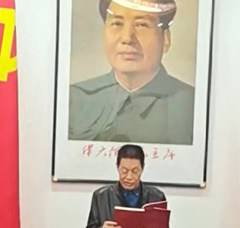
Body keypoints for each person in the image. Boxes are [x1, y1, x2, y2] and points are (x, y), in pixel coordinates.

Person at [69, 0, 195, 145]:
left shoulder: (191, 105)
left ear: (165, 39)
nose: (127, 38)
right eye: (117, 24)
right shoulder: (75, 99)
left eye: (141, 25)